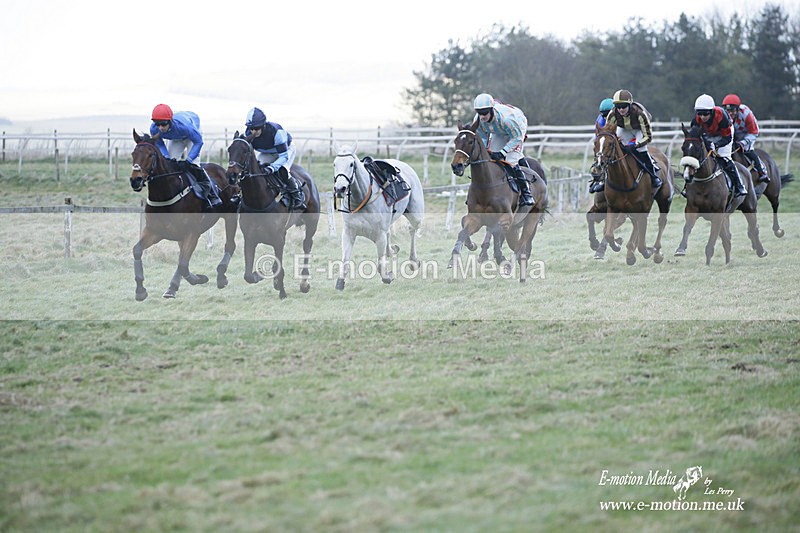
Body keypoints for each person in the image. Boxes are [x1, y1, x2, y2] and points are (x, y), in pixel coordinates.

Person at [149, 104, 221, 208]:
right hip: (176, 138)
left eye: (163, 124)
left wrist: (188, 161)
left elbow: (198, 142)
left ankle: (212, 194)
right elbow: (159, 144)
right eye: (157, 124)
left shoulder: (184, 126)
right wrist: (167, 157)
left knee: (194, 165)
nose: (160, 128)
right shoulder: (153, 129)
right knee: (169, 164)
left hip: (192, 138)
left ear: (170, 121)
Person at [472, 93, 534, 206]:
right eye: (479, 113)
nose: (482, 116)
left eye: (485, 112)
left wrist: (503, 152)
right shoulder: (478, 120)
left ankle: (526, 193)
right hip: (499, 130)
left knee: (511, 160)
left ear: (491, 109)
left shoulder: (507, 119)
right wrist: (486, 150)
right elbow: (483, 137)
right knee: (492, 158)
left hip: (517, 129)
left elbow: (517, 137)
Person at [244, 107, 306, 211]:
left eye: (256, 128)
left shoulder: (277, 132)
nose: (253, 131)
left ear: (263, 125)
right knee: (256, 171)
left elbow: (283, 156)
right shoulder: (248, 133)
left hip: (286, 150)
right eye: (251, 128)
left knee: (282, 170)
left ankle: (297, 195)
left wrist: (272, 168)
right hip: (267, 152)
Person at [604, 89, 662, 195]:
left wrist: (636, 145)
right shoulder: (612, 114)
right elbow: (608, 132)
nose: (621, 110)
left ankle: (653, 175)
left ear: (629, 105)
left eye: (623, 106)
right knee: (617, 147)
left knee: (641, 149)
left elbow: (648, 137)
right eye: (618, 107)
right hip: (624, 129)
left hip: (639, 130)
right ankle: (604, 178)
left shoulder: (640, 114)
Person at [691, 94, 747, 197]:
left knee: (724, 157)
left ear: (712, 111)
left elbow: (727, 138)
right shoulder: (696, 119)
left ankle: (739, 185)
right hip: (709, 133)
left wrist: (716, 145)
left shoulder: (721, 117)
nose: (702, 117)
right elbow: (695, 137)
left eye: (705, 113)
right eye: (699, 113)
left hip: (724, 133)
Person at [722, 93, 769, 183]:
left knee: (747, 149)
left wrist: (742, 143)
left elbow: (754, 132)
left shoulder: (746, 114)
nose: (730, 113)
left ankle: (762, 171)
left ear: (738, 109)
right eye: (728, 110)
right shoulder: (724, 115)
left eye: (732, 110)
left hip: (749, 133)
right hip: (734, 133)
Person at [589, 97, 616, 193]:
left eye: (607, 114)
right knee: (601, 154)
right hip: (608, 142)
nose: (605, 117)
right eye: (603, 114)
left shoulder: (619, 117)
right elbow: (599, 138)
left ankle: (652, 172)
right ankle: (599, 179)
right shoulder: (600, 120)